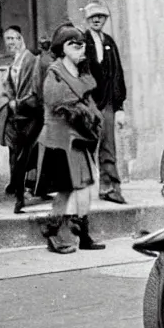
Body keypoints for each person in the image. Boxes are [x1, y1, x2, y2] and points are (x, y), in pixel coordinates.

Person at [35, 23, 106, 253]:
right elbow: (56, 102)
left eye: (83, 46)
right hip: (60, 140)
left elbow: (89, 103)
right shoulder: (54, 72)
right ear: (64, 48)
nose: (81, 51)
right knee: (66, 189)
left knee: (84, 186)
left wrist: (91, 117)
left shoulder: (82, 72)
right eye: (76, 46)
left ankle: (82, 233)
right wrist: (84, 112)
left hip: (80, 138)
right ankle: (55, 234)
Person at [80, 0, 129, 204]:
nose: (96, 20)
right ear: (87, 19)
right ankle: (81, 190)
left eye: (100, 16)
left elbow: (117, 74)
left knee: (108, 145)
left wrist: (119, 107)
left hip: (107, 102)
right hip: (88, 102)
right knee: (84, 145)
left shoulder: (109, 42)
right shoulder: (81, 41)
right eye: (93, 16)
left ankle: (109, 187)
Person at [0, 25, 45, 213]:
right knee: (15, 150)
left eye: (14, 38)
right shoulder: (13, 61)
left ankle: (22, 193)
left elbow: (35, 87)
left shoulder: (31, 59)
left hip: (30, 112)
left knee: (24, 152)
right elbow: (9, 86)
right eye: (7, 39)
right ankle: (18, 187)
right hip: (17, 113)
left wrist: (19, 102)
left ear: (21, 39)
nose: (11, 42)